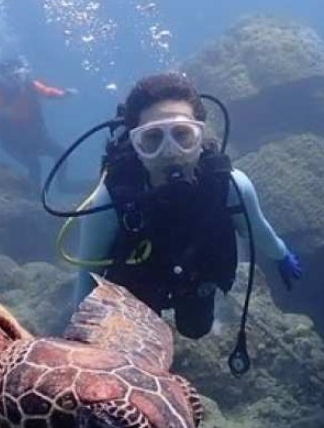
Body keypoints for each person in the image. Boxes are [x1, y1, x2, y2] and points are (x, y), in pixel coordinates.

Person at [68, 72, 303, 339]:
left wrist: (281, 254)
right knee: (137, 339)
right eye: (153, 138)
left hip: (196, 280)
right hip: (138, 291)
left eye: (183, 135)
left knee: (196, 330)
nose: (170, 152)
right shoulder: (109, 201)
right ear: (135, 144)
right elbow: (88, 274)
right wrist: (78, 338)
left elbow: (258, 230)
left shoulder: (231, 187)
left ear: (201, 136)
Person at [0, 55, 76, 187]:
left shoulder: (31, 85)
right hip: (14, 142)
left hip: (36, 135)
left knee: (61, 153)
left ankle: (63, 184)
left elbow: (47, 92)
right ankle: (36, 197)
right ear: (3, 80)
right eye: (10, 78)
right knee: (34, 165)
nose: (15, 81)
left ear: (24, 73)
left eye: (17, 76)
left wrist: (63, 94)